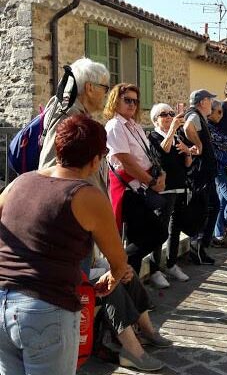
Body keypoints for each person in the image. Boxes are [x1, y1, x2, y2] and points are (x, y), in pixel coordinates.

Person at [0, 115, 128, 375]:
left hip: (2, 301)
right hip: (45, 308)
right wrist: (112, 278)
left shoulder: (20, 182)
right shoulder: (86, 195)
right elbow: (117, 259)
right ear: (95, 160)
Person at [38, 57, 111, 275]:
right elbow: (49, 165)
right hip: (72, 218)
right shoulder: (68, 118)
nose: (106, 94)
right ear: (90, 88)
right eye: (104, 88)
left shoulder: (77, 116)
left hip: (81, 215)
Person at [104, 83, 166, 275]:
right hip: (129, 189)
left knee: (137, 238)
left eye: (135, 101)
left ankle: (132, 294)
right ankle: (120, 265)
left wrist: (160, 174)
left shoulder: (134, 126)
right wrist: (152, 182)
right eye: (127, 100)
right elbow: (126, 162)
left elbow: (147, 155)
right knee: (158, 233)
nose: (132, 104)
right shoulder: (115, 126)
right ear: (116, 101)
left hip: (141, 186)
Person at [94, 260, 170, 371]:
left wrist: (119, 269)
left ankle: (147, 331)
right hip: (72, 283)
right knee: (110, 283)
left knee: (127, 272)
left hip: (87, 273)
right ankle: (132, 352)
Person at [148, 103, 193, 287]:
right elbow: (163, 151)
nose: (168, 117)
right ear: (155, 119)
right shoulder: (153, 136)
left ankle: (171, 263)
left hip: (179, 187)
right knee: (159, 230)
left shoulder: (176, 136)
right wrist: (173, 129)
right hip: (163, 190)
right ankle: (154, 270)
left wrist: (188, 153)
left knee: (175, 228)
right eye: (163, 114)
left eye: (171, 114)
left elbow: (187, 164)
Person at [183, 89, 219, 265]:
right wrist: (198, 144)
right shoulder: (194, 115)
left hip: (205, 173)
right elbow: (187, 126)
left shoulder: (199, 116)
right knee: (202, 211)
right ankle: (196, 250)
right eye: (210, 100)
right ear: (203, 101)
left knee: (212, 207)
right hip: (200, 174)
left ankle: (202, 247)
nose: (212, 103)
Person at [208, 100, 227, 247]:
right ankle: (223, 228)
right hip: (218, 169)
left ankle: (219, 235)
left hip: (226, 168)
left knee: (223, 203)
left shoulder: (217, 127)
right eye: (219, 112)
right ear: (211, 111)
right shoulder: (209, 127)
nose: (221, 115)